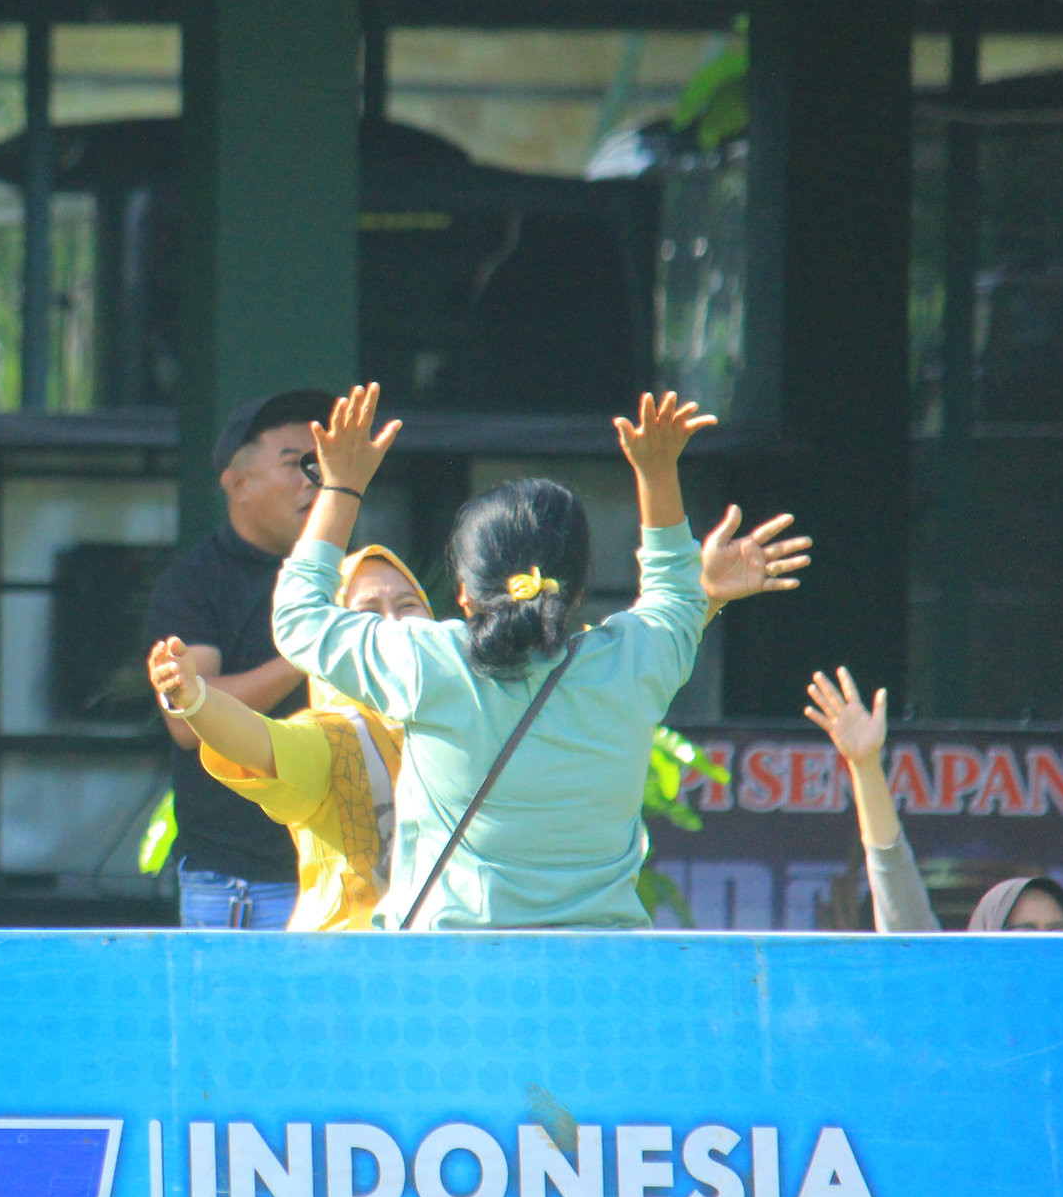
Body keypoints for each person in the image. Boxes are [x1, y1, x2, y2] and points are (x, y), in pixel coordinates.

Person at [272, 384, 796, 930]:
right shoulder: (632, 663)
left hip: (450, 986)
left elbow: (297, 618)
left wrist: (341, 487)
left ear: (464, 594)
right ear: (576, 592)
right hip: (600, 979)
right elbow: (677, 595)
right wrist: (658, 471)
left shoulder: (431, 663)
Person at [148, 545, 430, 930]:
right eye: (368, 613)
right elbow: (261, 742)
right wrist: (198, 701)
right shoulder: (336, 736)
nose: (394, 624)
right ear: (327, 641)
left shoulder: (468, 719)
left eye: (409, 605)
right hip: (343, 971)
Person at [142, 391, 330, 931]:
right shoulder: (195, 582)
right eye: (296, 464)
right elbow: (188, 722)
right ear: (237, 482)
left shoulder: (354, 574)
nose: (313, 482)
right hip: (239, 881)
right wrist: (313, 647)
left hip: (347, 871)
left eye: (323, 466)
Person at [805, 666, 1063, 933]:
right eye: (1026, 933)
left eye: (1058, 933)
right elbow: (896, 887)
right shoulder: (950, 976)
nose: (1044, 942)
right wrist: (865, 766)